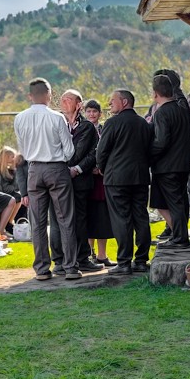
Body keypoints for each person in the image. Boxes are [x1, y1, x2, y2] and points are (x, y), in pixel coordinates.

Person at [14, 78, 79, 281]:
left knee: (38, 222)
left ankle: (42, 269)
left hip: (34, 169)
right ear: (50, 95)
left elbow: (23, 150)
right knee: (65, 219)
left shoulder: (20, 118)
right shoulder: (57, 118)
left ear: (30, 96)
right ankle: (69, 267)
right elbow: (69, 151)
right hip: (57, 169)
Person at [96, 89, 154, 274]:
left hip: (116, 178)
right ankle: (141, 260)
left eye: (112, 100)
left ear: (124, 102)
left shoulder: (112, 123)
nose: (109, 103)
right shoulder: (144, 124)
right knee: (141, 216)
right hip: (139, 177)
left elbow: (101, 151)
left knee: (121, 219)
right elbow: (150, 150)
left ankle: (123, 262)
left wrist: (104, 168)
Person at [50, 89, 102, 273]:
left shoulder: (87, 127)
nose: (64, 102)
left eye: (68, 99)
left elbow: (91, 153)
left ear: (78, 104)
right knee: (57, 220)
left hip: (79, 180)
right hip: (57, 178)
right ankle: (60, 261)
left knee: (80, 219)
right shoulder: (55, 122)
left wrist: (77, 169)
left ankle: (82, 258)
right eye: (62, 99)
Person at [148, 74, 190, 250]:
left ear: (155, 94)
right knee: (180, 201)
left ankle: (180, 238)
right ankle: (179, 234)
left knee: (173, 203)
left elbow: (161, 142)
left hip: (166, 166)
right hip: (183, 164)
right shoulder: (183, 110)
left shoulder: (161, 113)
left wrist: (148, 155)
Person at [82, 99, 114, 266]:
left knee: (102, 217)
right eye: (89, 111)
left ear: (100, 114)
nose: (92, 114)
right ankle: (89, 253)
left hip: (102, 179)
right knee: (88, 217)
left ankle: (102, 254)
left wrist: (101, 167)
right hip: (86, 179)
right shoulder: (80, 129)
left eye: (95, 111)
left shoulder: (104, 129)